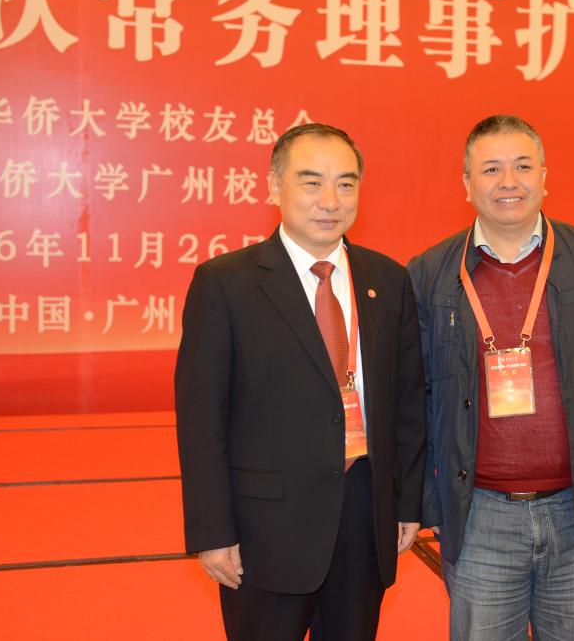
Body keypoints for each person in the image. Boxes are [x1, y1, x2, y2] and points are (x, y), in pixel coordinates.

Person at [408, 115, 574, 640]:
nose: (509, 182)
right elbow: (415, 390)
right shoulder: (429, 272)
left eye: (523, 166)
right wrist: (430, 498)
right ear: (467, 184)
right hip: (478, 518)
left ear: (545, 177)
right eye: (491, 169)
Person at [175, 123, 426, 641]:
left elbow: (407, 402)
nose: (330, 200)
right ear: (274, 186)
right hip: (265, 531)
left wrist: (406, 504)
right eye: (311, 182)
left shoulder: (388, 280)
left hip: (364, 519)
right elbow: (201, 420)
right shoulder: (226, 283)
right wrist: (212, 530)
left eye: (346, 183)